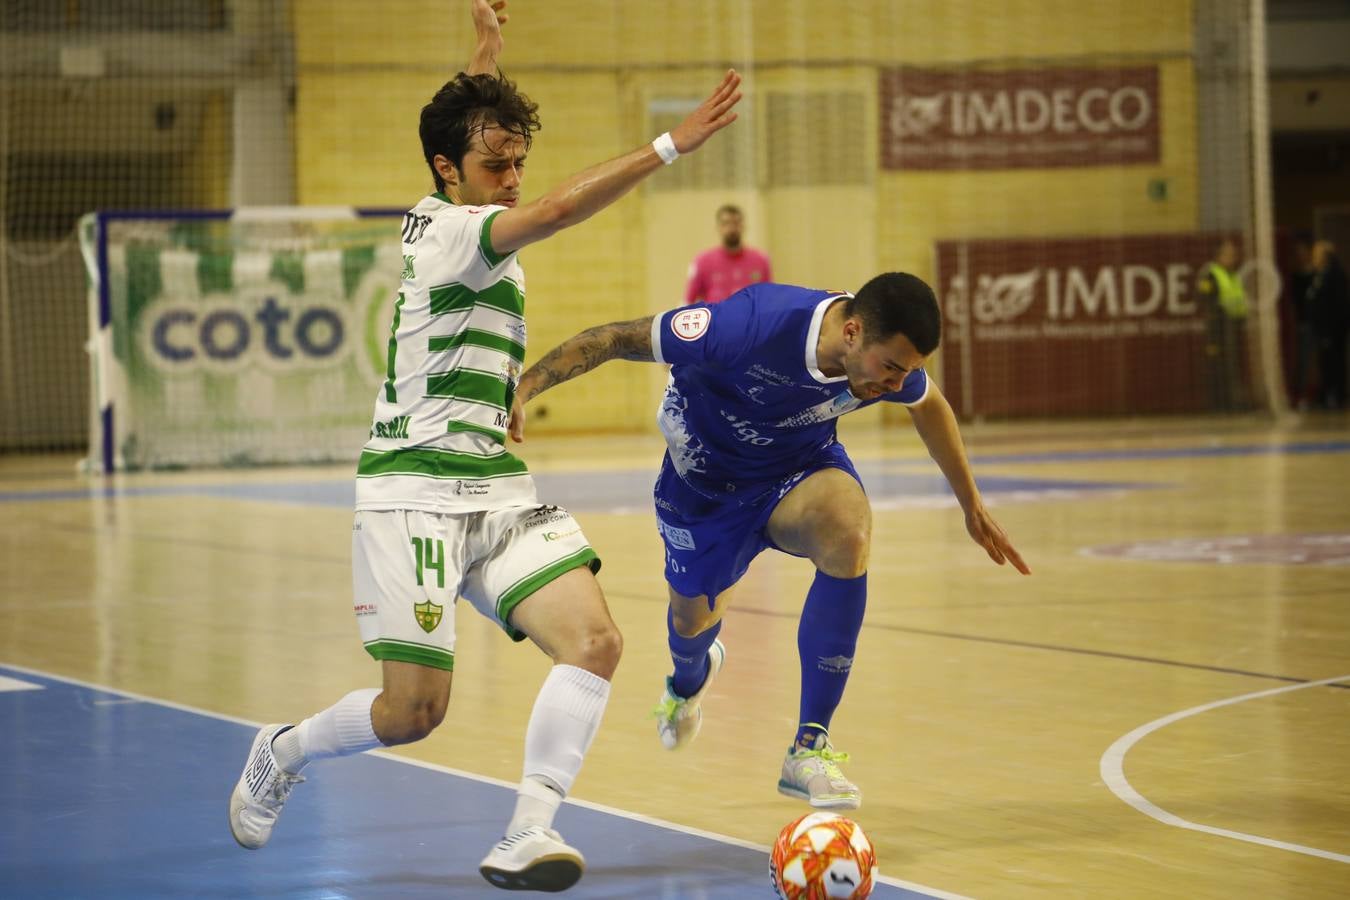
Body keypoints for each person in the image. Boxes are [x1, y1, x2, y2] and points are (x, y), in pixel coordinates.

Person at [227, 1, 742, 892]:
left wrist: (484, 61)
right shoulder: (457, 235)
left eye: (517, 162)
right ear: (446, 171)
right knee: (412, 712)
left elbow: (485, 156)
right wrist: (669, 147)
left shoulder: (452, 195)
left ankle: (526, 835)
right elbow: (550, 212)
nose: (510, 178)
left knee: (596, 641)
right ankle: (285, 748)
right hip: (411, 493)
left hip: (497, 489)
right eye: (493, 164)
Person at [509, 273, 1030, 811]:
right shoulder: (746, 327)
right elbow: (615, 337)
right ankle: (688, 682)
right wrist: (524, 389)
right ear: (851, 332)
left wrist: (971, 504)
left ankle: (809, 747)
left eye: (911, 369)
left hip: (797, 473)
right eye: (892, 368)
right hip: (703, 493)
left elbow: (930, 405)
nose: (898, 384)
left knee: (848, 532)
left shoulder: (885, 366)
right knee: (690, 628)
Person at [1196, 237, 1249, 412]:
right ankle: (1219, 404)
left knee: (1232, 366)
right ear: (1219, 255)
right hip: (1217, 328)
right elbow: (1203, 298)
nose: (1233, 256)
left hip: (1232, 327)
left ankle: (1233, 402)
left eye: (1234, 253)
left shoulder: (1233, 274)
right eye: (1229, 253)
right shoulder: (1210, 273)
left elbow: (1237, 300)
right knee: (1217, 366)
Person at [684, 204, 773, 304]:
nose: (731, 228)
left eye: (736, 223)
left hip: (751, 319)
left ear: (743, 226)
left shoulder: (761, 260)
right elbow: (688, 301)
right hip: (716, 318)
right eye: (726, 223)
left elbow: (768, 299)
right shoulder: (702, 262)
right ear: (718, 227)